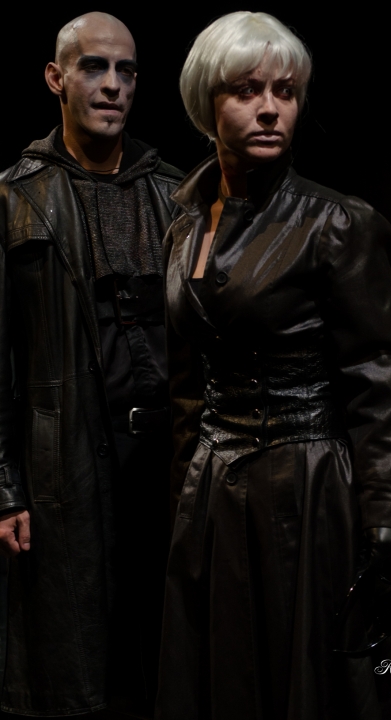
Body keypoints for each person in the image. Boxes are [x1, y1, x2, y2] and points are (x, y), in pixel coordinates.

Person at [156, 11, 391, 720]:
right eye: (247, 90)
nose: (271, 108)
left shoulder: (336, 223)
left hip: (306, 485)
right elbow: (186, 386)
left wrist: (387, 514)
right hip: (212, 492)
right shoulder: (183, 226)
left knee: (304, 679)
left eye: (286, 90)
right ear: (206, 102)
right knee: (222, 678)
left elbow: (376, 376)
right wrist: (183, 495)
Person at [0, 12, 183, 716]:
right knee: (79, 668)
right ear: (56, 78)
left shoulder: (176, 193)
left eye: (126, 70)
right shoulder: (17, 197)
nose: (112, 85)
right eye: (94, 67)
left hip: (165, 464)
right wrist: (6, 488)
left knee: (163, 657)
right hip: (67, 465)